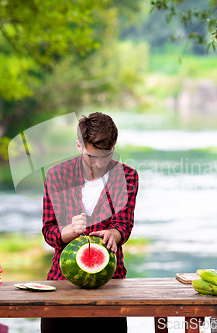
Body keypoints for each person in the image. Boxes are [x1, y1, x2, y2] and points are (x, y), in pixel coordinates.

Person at [41, 112, 139, 333]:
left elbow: (124, 225)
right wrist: (68, 231)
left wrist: (113, 235)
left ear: (113, 146)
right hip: (62, 282)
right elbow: (49, 231)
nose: (99, 164)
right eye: (91, 157)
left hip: (110, 283)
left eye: (106, 156)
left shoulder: (127, 176)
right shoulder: (57, 175)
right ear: (78, 145)